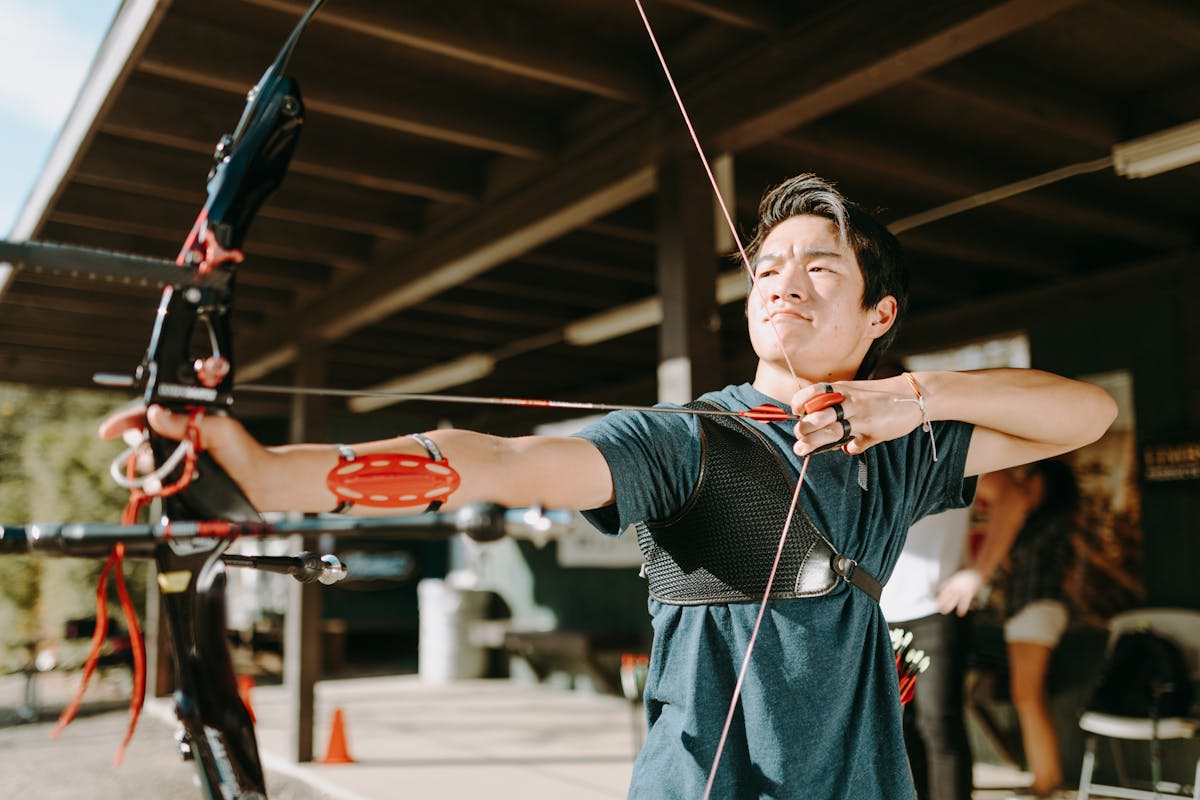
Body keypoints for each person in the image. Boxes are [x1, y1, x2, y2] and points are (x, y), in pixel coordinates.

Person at [102, 174, 1116, 799]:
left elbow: (1087, 414)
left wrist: (912, 398)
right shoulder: (685, 440)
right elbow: (495, 459)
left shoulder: (900, 445)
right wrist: (271, 469)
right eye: (768, 267)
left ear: (880, 312)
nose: (785, 282)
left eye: (822, 268)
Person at [937, 460, 1080, 799]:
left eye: (1031, 480)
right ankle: (1045, 778)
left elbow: (1014, 528)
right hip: (1032, 611)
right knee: (1028, 697)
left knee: (1027, 697)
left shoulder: (1047, 523)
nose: (1023, 486)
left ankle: (1046, 782)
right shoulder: (1044, 522)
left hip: (1035, 610)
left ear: (1049, 485)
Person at [880, 507, 975, 800]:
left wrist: (979, 571)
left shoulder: (950, 459)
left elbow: (1012, 497)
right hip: (879, 611)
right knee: (900, 727)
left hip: (935, 610)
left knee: (938, 725)